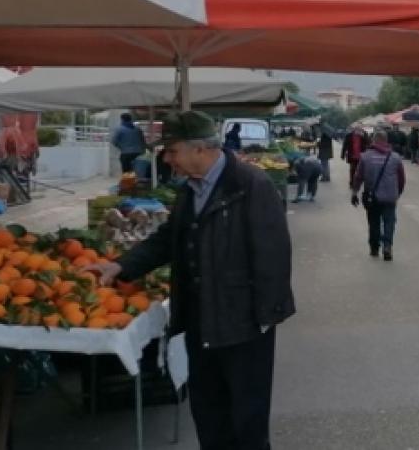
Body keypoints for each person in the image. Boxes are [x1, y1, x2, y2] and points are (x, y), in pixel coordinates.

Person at [86, 111, 294, 450]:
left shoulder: (251, 185)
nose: (167, 159)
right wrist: (120, 266)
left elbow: (274, 254)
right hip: (199, 323)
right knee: (209, 416)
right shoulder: (189, 190)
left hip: (243, 325)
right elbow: (168, 240)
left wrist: (264, 317)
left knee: (247, 421)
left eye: (172, 150)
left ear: (199, 148)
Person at [351, 132, 405, 261]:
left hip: (372, 196)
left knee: (374, 221)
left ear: (373, 140)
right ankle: (387, 247)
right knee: (389, 222)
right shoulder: (395, 157)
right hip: (390, 196)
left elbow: (358, 177)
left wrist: (354, 192)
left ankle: (374, 248)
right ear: (386, 140)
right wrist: (397, 193)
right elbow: (401, 179)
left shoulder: (365, 157)